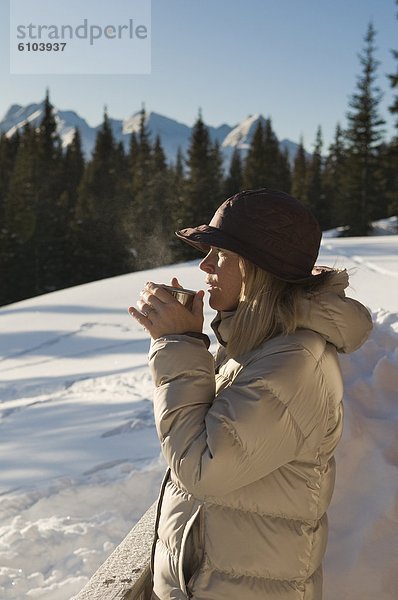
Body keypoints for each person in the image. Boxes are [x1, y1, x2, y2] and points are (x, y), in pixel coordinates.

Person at [128, 188, 373, 600]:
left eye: (220, 255)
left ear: (258, 268)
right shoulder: (256, 343)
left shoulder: (294, 364)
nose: (204, 265)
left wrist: (180, 344)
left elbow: (204, 468)